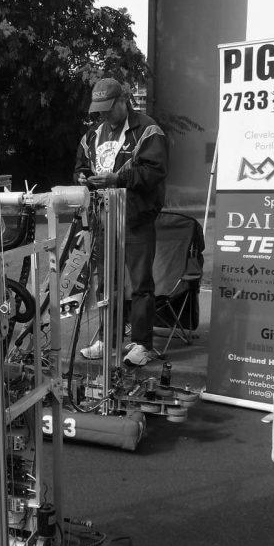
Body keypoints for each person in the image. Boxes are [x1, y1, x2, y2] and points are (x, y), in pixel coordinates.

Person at [73, 78, 167, 367]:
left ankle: (142, 343)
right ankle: (108, 338)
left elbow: (155, 171)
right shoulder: (92, 135)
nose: (102, 115)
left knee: (140, 284)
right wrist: (80, 177)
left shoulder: (148, 129)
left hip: (136, 217)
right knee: (106, 282)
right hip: (103, 218)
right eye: (98, 110)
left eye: (107, 109)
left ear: (123, 101)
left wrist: (119, 178)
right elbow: (80, 165)